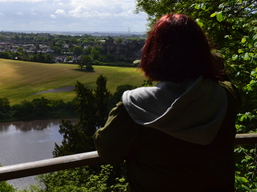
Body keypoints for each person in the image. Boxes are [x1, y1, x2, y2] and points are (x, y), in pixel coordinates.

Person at [93, 13, 240, 192]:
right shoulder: (226, 96)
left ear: (151, 53)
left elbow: (107, 151)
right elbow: (220, 77)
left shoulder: (135, 107)